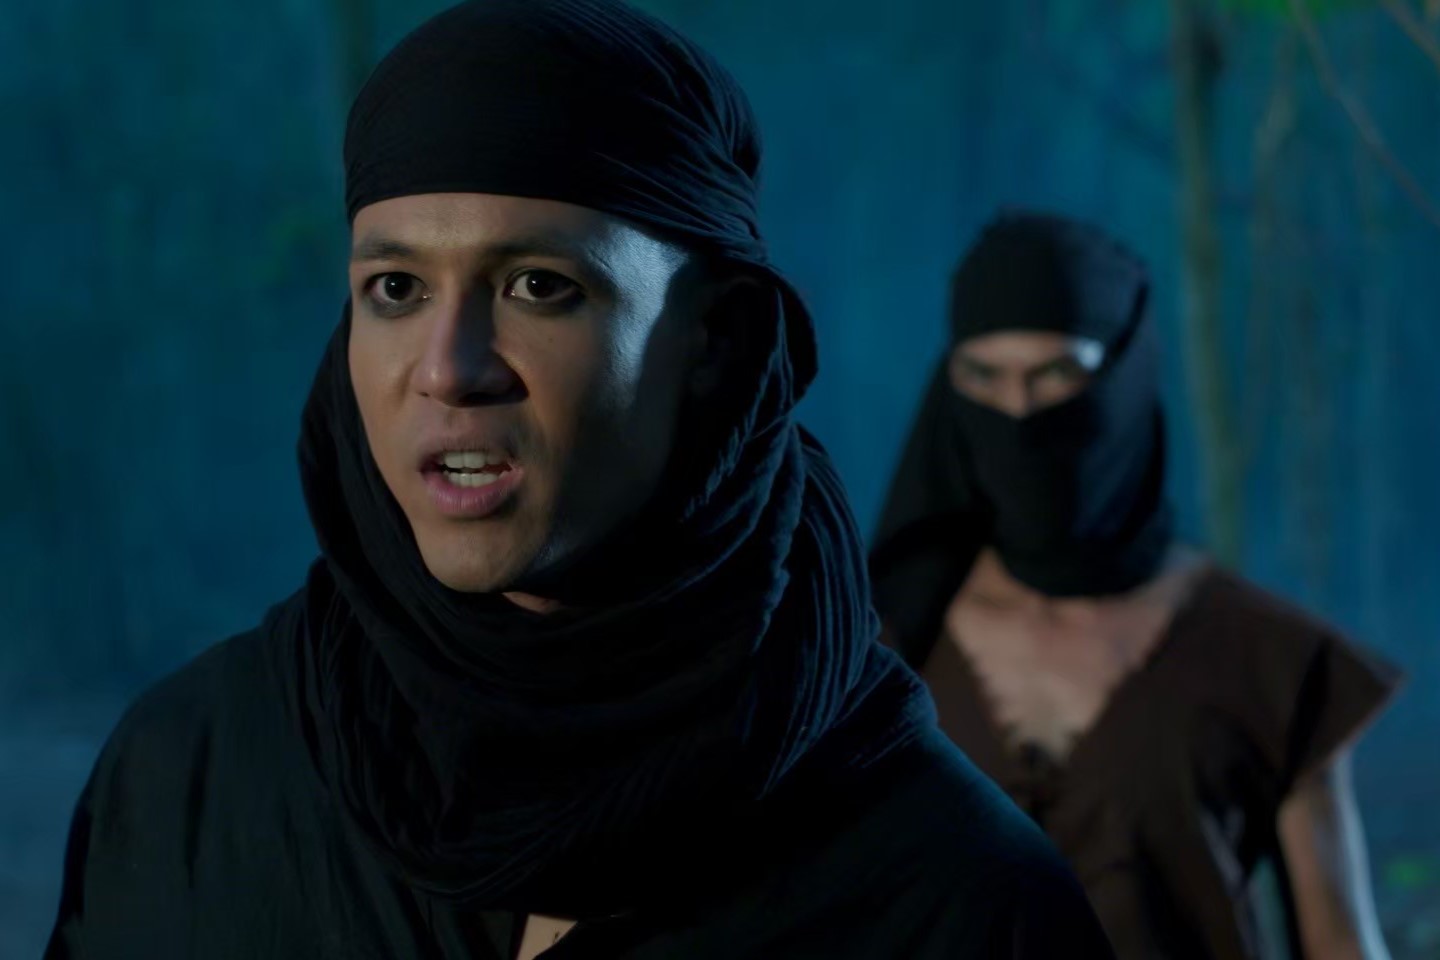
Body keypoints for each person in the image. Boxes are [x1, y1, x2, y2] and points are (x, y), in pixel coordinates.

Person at [44, 6, 1115, 959]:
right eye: (396, 288)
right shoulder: (187, 780)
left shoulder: (960, 899)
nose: (450, 368)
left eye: (539, 285)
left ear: (716, 341)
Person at [869, 210, 1402, 960]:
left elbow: (1341, 945)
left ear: (1122, 376)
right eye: (984, 377)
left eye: (1057, 373)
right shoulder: (885, 642)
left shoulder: (1266, 659)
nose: (1019, 413)